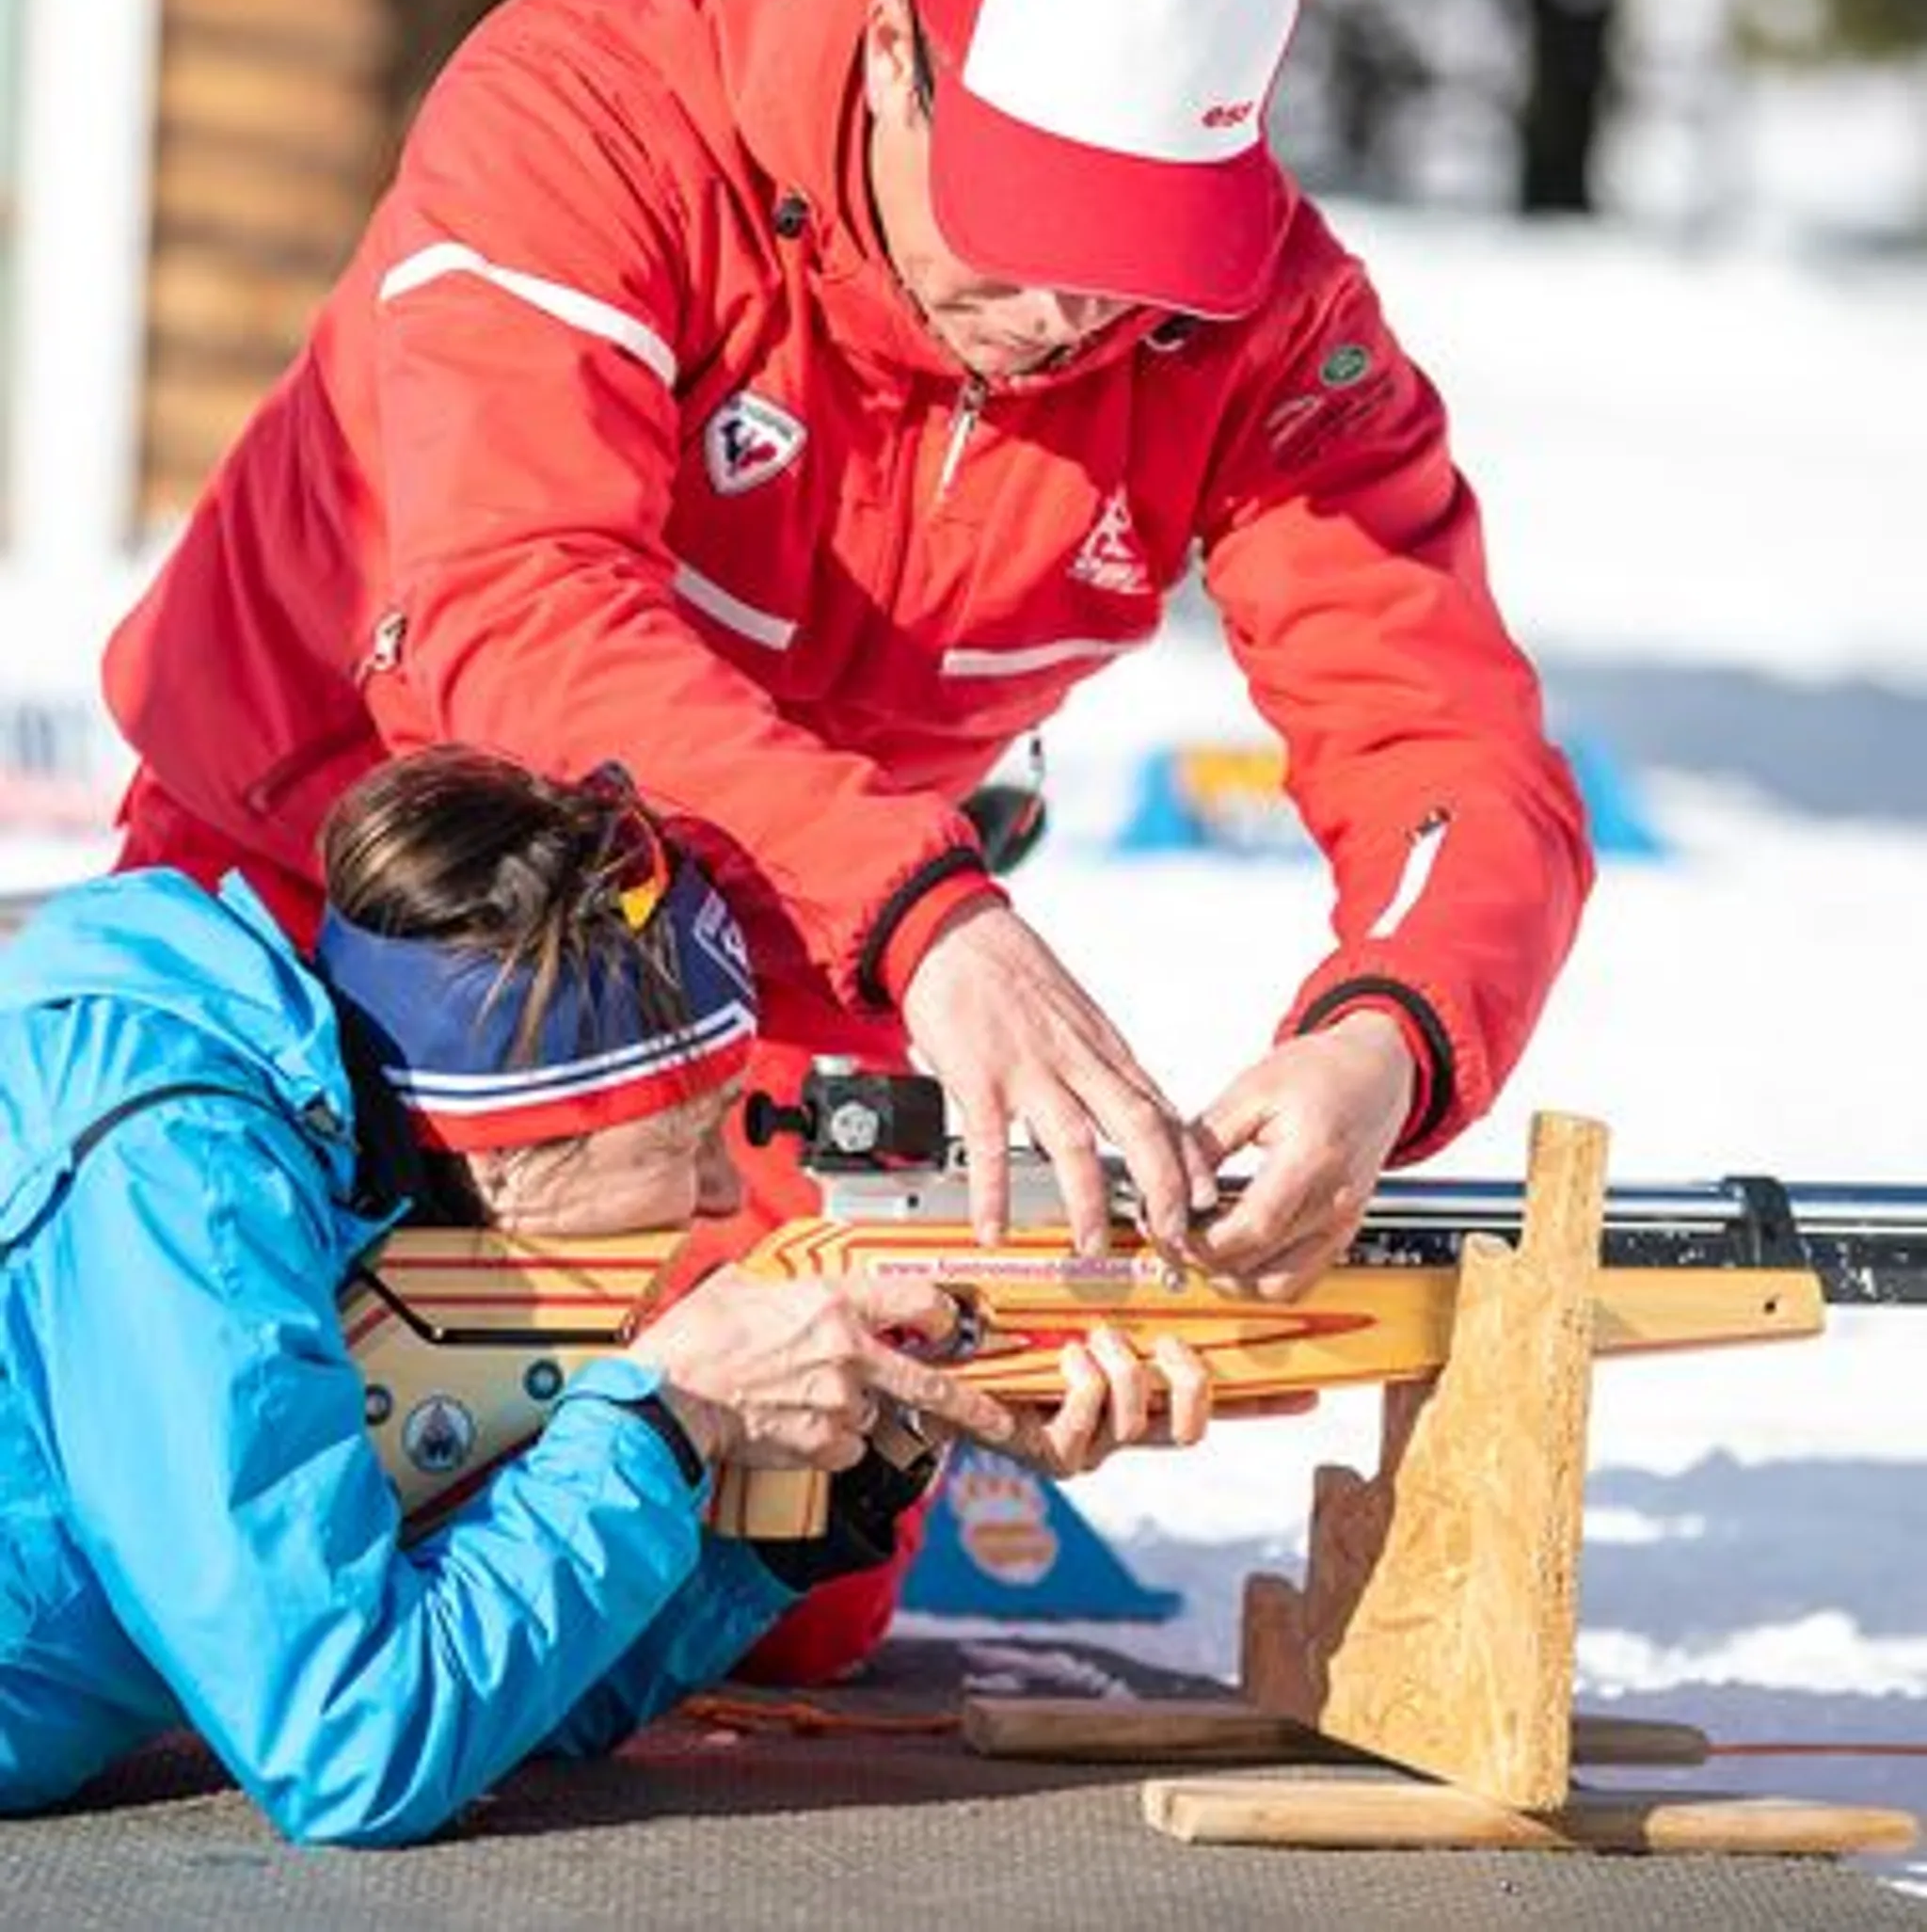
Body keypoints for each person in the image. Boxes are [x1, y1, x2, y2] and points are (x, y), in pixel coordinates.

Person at [104, 0, 1589, 1292]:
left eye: (1138, 255)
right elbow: (512, 606)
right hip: (307, 907)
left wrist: (1385, 1039)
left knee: (803, 1466)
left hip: (766, 980)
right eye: (1031, 226)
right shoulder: (581, 119)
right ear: (893, 58)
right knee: (209, 1473)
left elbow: (1442, 740)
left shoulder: (1263, 326)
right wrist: (922, 915)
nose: (1068, 316)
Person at [0, 747, 1195, 1847]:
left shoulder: (338, 1178)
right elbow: (353, 1741)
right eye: (681, 1134)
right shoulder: (182, 1183)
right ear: (511, 1141)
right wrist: (661, 1416)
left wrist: (823, 1496)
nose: (723, 1182)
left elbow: (523, 1703)